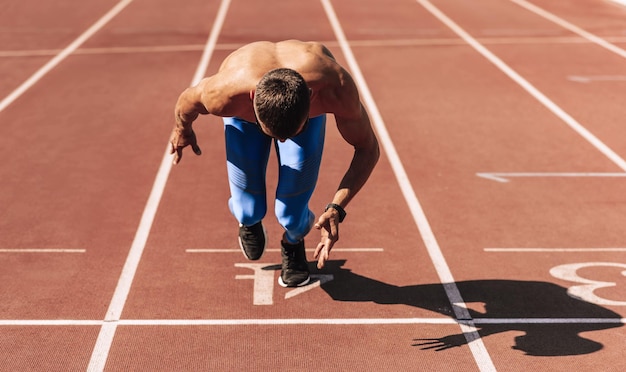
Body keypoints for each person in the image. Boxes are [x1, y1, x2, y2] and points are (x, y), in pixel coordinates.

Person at [169, 40, 379, 287]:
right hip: (244, 119)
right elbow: (186, 102)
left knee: (291, 213)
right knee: (247, 209)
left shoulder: (335, 87)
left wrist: (337, 208)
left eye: (288, 134)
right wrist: (182, 128)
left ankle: (292, 242)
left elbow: (368, 148)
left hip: (297, 116)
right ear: (252, 97)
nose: (280, 141)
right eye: (273, 133)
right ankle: (248, 222)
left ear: (311, 98)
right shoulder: (223, 94)